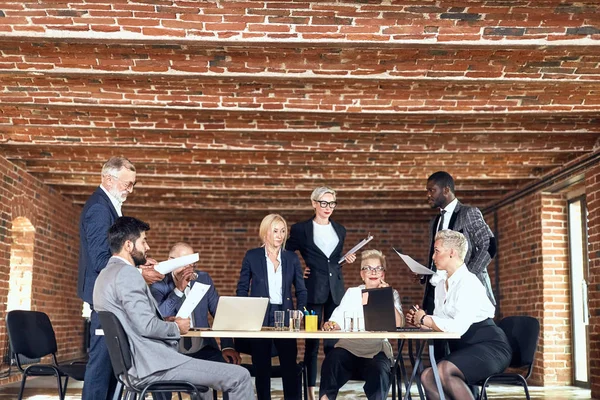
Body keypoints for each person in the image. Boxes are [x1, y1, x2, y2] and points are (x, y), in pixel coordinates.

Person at [93, 216, 254, 400]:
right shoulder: (128, 275)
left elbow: (135, 322)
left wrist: (165, 321)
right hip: (155, 365)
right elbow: (146, 326)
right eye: (143, 241)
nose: (148, 248)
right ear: (129, 245)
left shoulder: (104, 275)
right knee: (240, 376)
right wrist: (177, 327)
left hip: (131, 368)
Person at [77, 156, 164, 400]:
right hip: (105, 298)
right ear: (108, 178)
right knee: (101, 366)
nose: (130, 190)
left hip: (112, 297)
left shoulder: (110, 205)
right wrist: (139, 273)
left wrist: (140, 260)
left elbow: (116, 253)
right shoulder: (98, 208)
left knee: (112, 368)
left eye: (132, 184)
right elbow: (100, 260)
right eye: (127, 184)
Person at [406, 230, 511, 400]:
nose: (433, 257)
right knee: (427, 376)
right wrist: (420, 322)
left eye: (437, 251)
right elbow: (443, 323)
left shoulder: (469, 283)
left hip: (490, 348)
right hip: (464, 348)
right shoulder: (441, 284)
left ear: (452, 253)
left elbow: (457, 327)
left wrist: (427, 318)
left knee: (443, 371)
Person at [286, 186, 356, 399]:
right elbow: (287, 255)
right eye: (324, 203)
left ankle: (328, 392)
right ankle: (310, 392)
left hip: (336, 292)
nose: (328, 207)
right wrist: (299, 269)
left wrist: (345, 260)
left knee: (332, 345)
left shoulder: (340, 230)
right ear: (314, 203)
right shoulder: (301, 229)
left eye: (332, 203)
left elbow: (331, 262)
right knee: (312, 345)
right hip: (312, 290)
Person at [150, 242, 242, 400]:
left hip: (203, 349)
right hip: (172, 351)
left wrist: (227, 346)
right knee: (160, 374)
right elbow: (158, 316)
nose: (189, 269)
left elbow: (220, 314)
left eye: (192, 264)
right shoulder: (159, 284)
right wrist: (178, 290)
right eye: (185, 264)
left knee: (233, 371)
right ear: (171, 261)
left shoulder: (203, 279)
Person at [237, 214, 307, 400]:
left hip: (286, 316)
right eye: (275, 231)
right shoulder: (252, 256)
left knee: (289, 367)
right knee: (262, 367)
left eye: (283, 231)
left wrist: (299, 312)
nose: (280, 235)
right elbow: (242, 289)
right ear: (265, 232)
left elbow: (301, 290)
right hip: (260, 316)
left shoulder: (291, 258)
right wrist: (247, 313)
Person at [319, 249, 404, 400]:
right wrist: (331, 324)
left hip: (376, 350)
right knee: (332, 360)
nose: (373, 272)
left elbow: (399, 324)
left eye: (378, 268)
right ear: (362, 274)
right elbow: (337, 320)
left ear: (383, 274)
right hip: (349, 348)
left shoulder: (392, 294)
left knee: (379, 370)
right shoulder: (352, 293)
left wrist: (386, 297)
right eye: (368, 268)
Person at [422, 171, 497, 315]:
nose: (428, 195)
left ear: (446, 190)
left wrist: (467, 276)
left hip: (464, 293)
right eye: (427, 191)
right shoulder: (435, 222)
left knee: (463, 336)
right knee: (435, 335)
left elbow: (489, 244)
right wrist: (424, 274)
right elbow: (439, 255)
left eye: (432, 190)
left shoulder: (468, 213)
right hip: (436, 292)